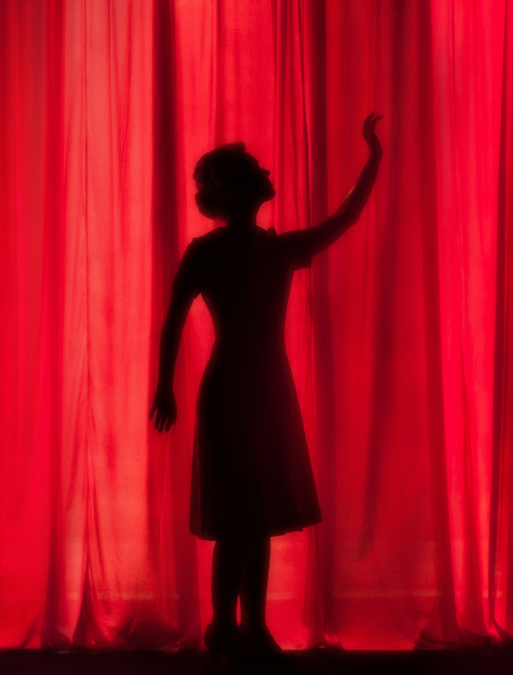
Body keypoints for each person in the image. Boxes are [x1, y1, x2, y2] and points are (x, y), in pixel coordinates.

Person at [150, 114, 383, 663]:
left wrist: (373, 156)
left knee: (257, 518)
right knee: (240, 517)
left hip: (267, 390)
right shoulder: (209, 252)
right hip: (232, 390)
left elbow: (346, 218)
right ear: (233, 188)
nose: (266, 169)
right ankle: (222, 627)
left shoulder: (276, 248)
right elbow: (173, 320)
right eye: (255, 168)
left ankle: (250, 626)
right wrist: (163, 386)